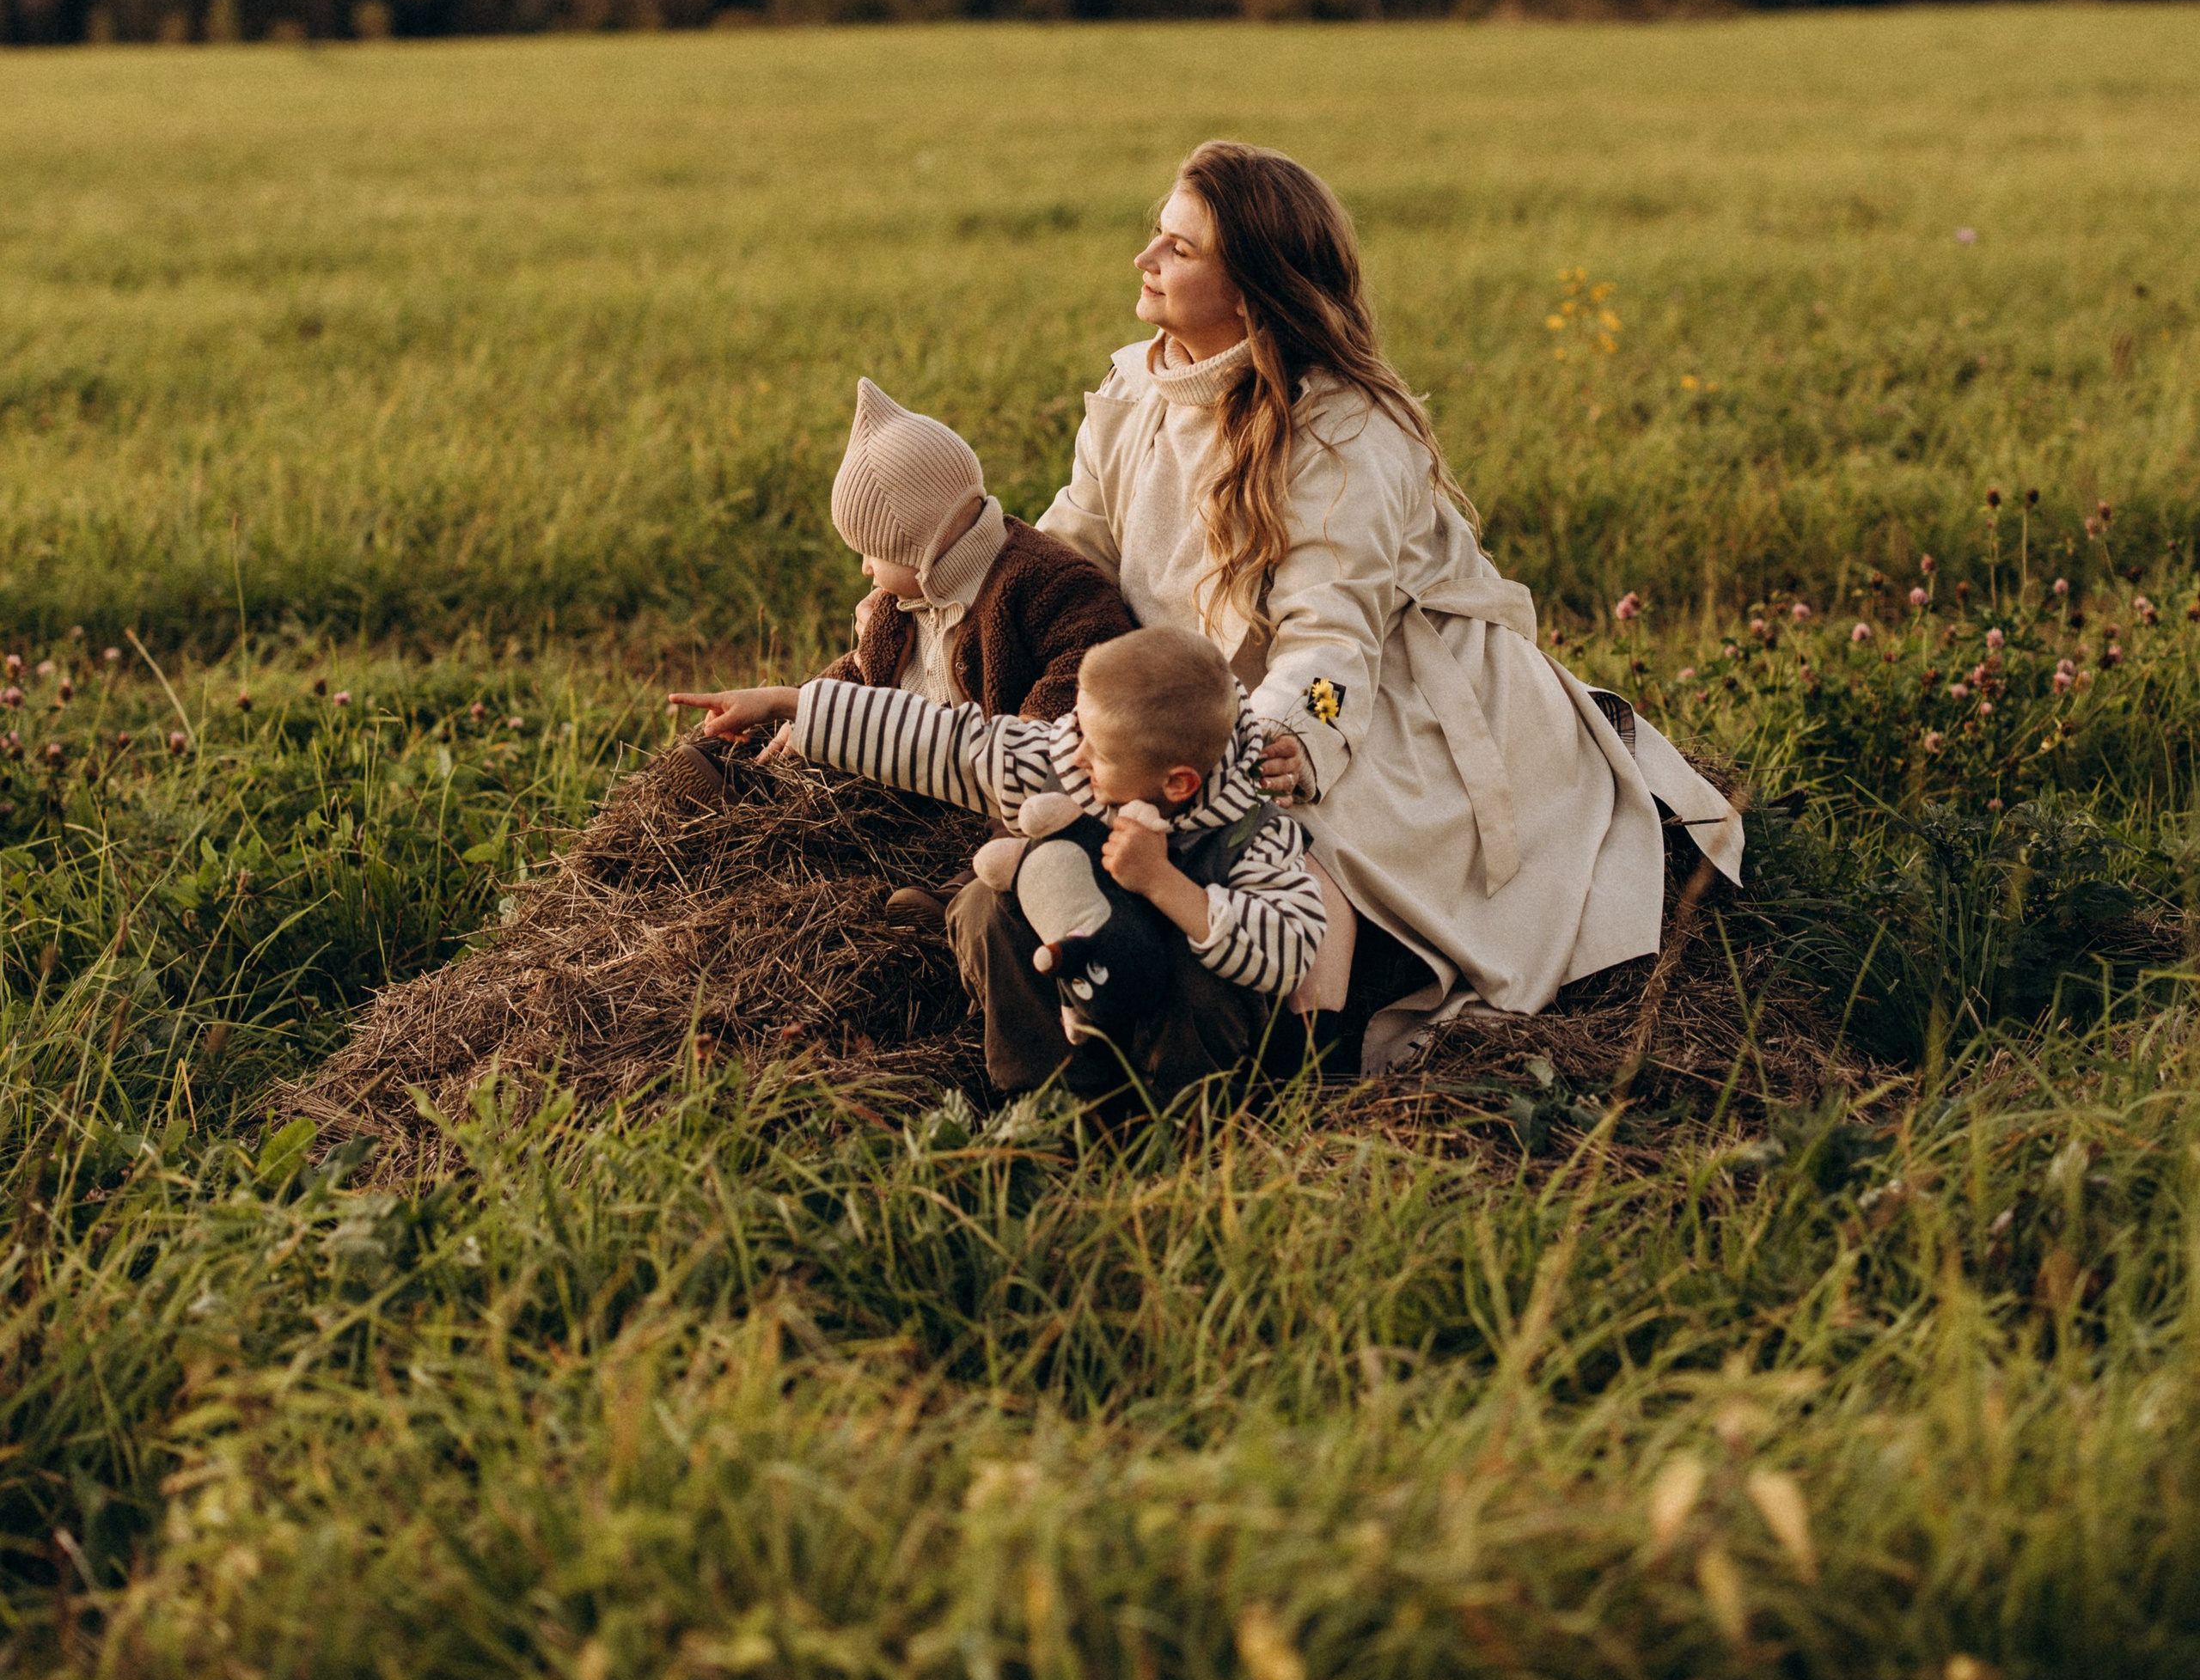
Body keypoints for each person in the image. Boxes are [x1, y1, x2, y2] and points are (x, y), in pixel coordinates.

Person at [1036, 141, 1743, 1071]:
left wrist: (1293, 737)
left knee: (1295, 840)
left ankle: (1304, 1044)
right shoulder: (1135, 387)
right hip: (1200, 689)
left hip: (1384, 693)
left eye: (1178, 247)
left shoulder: (1345, 432)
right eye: (1155, 237)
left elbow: (1332, 645)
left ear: (1249, 289)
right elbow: (1067, 549)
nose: (1145, 260)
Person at [688, 622, 1325, 1102]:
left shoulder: (1252, 830)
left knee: (1203, 984)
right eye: (1075, 728)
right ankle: (1049, 1100)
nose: (1072, 753)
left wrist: (1162, 883)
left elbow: (1290, 947)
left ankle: (1171, 1129)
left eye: (1093, 752)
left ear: (1179, 783)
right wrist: (791, 702)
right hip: (1077, 986)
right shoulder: (1071, 755)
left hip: (1180, 1048)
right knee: (985, 904)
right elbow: (948, 742)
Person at [668, 378, 1132, 797]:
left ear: (922, 544)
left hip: (989, 785)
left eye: (872, 552)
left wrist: (1027, 735)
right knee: (815, 759)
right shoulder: (902, 605)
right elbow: (860, 675)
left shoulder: (1048, 585)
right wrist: (791, 709)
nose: (866, 569)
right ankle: (748, 775)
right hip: (909, 769)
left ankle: (959, 885)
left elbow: (1081, 672)